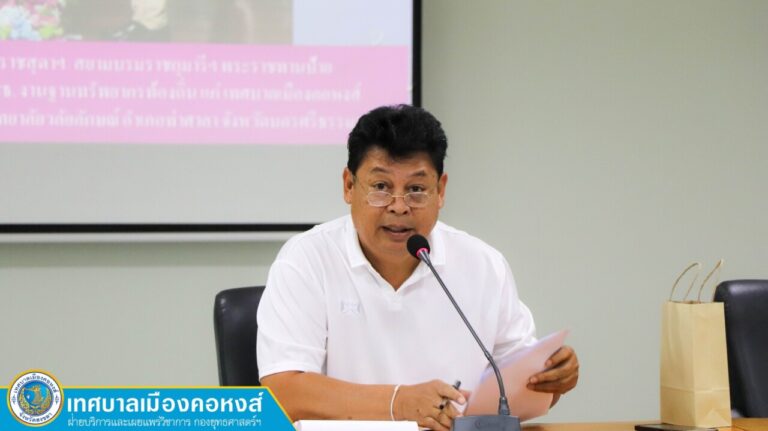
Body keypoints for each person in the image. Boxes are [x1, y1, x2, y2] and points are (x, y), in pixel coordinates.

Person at [256, 105, 579, 431]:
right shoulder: (307, 260)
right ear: (349, 186)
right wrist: (397, 403)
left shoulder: (483, 266)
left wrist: (553, 380)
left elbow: (517, 384)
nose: (399, 207)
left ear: (440, 191)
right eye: (380, 187)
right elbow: (283, 391)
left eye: (416, 190)